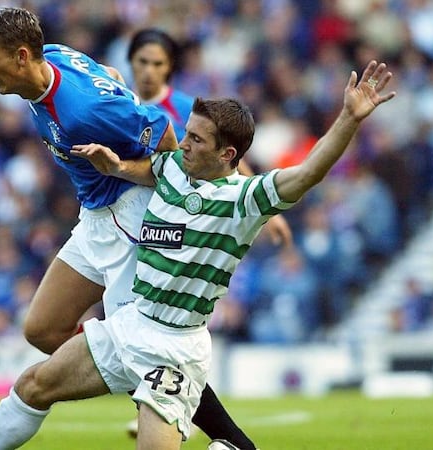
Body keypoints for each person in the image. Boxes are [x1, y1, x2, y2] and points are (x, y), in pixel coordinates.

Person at [0, 60, 395, 449]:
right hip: (128, 328)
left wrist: (348, 118)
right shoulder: (174, 168)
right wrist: (114, 165)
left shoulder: (244, 200)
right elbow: (145, 166)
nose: (182, 144)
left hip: (174, 349)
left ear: (226, 154)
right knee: (32, 386)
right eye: (187, 133)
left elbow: (307, 173)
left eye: (195, 139)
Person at [0, 9, 263, 449]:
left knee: (142, 345)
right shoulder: (53, 56)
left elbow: (164, 130)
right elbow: (106, 73)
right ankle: (134, 379)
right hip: (95, 215)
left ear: (20, 57)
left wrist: (177, 198)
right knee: (42, 329)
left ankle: (235, 442)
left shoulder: (85, 112)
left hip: (130, 217)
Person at [125, 27, 295, 447]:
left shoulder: (182, 108)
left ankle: (160, 398)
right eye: (142, 61)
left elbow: (226, 159)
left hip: (167, 228)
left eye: (158, 63)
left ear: (170, 69)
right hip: (130, 223)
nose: (148, 71)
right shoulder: (121, 102)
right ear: (130, 63)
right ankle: (160, 398)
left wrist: (265, 210)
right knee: (58, 331)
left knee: (148, 325)